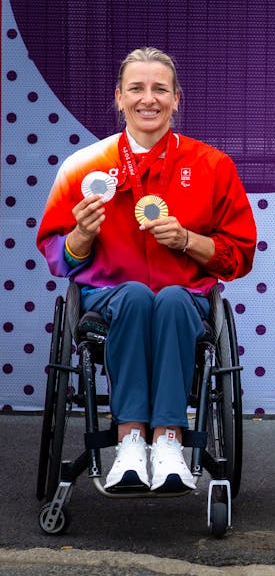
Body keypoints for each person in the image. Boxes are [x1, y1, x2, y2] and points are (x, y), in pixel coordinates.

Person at [37, 47, 257, 493]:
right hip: (110, 299)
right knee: (137, 296)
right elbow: (57, 255)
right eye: (136, 88)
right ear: (118, 98)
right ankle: (131, 440)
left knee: (174, 298)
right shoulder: (84, 167)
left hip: (185, 299)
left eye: (160, 89)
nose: (148, 99)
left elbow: (241, 256)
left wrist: (189, 241)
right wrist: (81, 235)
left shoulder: (213, 166)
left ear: (177, 98)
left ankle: (170, 440)